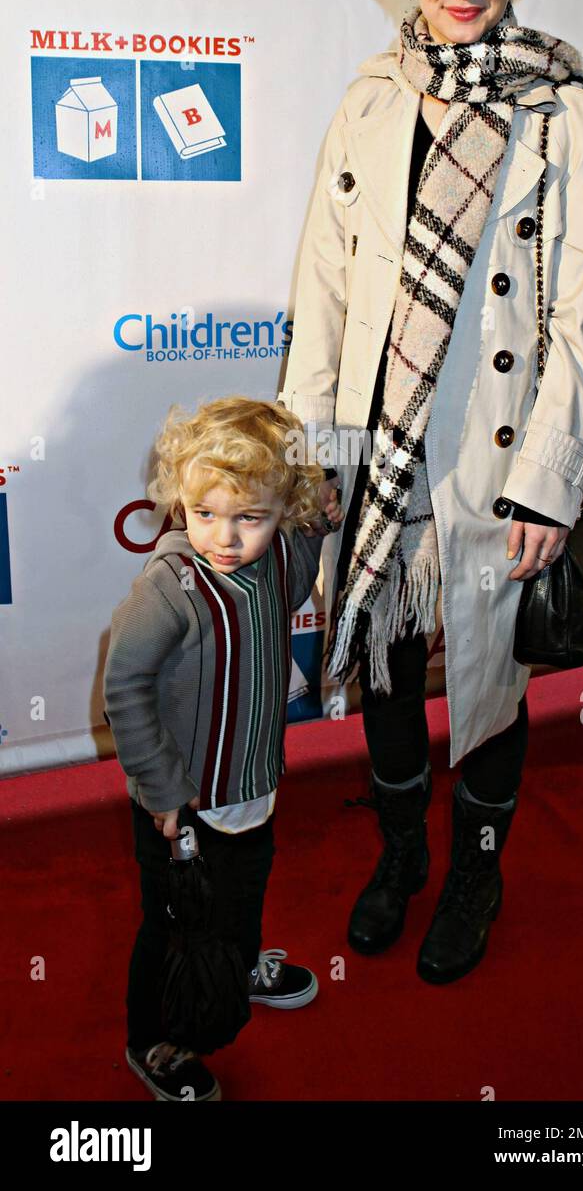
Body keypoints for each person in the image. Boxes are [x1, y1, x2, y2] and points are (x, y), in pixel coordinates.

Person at [277, 0, 583, 985]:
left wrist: (551, 478)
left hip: (494, 455)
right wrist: (309, 447)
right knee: (382, 659)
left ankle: (475, 868)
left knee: (489, 676)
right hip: (377, 446)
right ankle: (398, 855)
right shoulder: (370, 102)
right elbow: (322, 285)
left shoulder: (571, 115)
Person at [103, 396, 344, 1100]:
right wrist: (162, 791)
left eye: (250, 518)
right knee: (174, 929)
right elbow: (125, 687)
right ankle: (153, 1040)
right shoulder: (167, 590)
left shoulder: (274, 562)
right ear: (182, 500)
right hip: (182, 809)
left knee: (242, 895)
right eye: (205, 514)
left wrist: (319, 516)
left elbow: (301, 555)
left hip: (254, 790)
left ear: (280, 509)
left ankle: (236, 967)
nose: (226, 537)